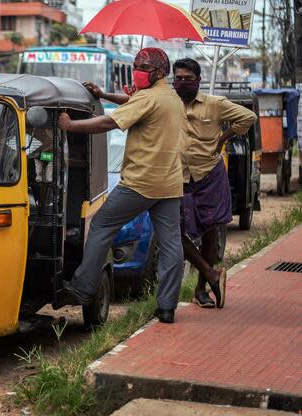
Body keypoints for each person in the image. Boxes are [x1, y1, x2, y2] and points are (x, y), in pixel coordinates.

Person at [57, 48, 186, 324]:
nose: (138, 70)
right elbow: (132, 103)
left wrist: (70, 125)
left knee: (102, 225)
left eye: (144, 67)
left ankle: (81, 288)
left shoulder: (150, 98)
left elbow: (109, 121)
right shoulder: (170, 97)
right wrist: (104, 95)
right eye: (137, 65)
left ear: (160, 72)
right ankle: (166, 307)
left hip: (140, 183)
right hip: (170, 184)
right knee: (171, 245)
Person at [171, 58, 256, 308]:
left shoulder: (215, 104)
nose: (182, 83)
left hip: (209, 174)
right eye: (178, 78)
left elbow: (248, 117)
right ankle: (210, 273)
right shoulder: (168, 104)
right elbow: (134, 105)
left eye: (188, 79)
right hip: (178, 176)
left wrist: (225, 138)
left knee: (211, 232)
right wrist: (104, 94)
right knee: (173, 229)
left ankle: (201, 289)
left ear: (198, 80)